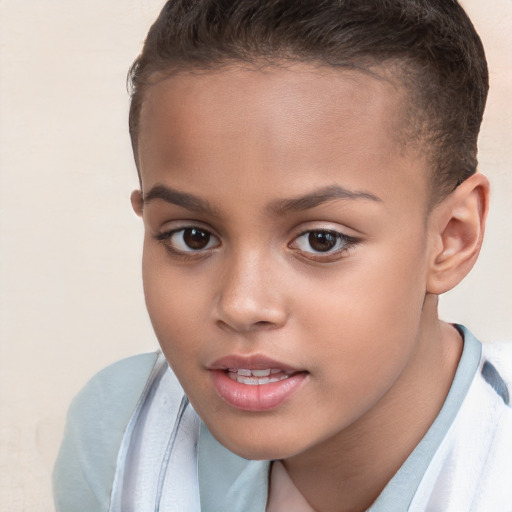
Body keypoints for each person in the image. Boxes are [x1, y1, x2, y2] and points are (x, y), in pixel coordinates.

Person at [52, 1, 512, 510]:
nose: (242, 304)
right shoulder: (121, 438)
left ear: (452, 237)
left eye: (322, 240)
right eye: (192, 237)